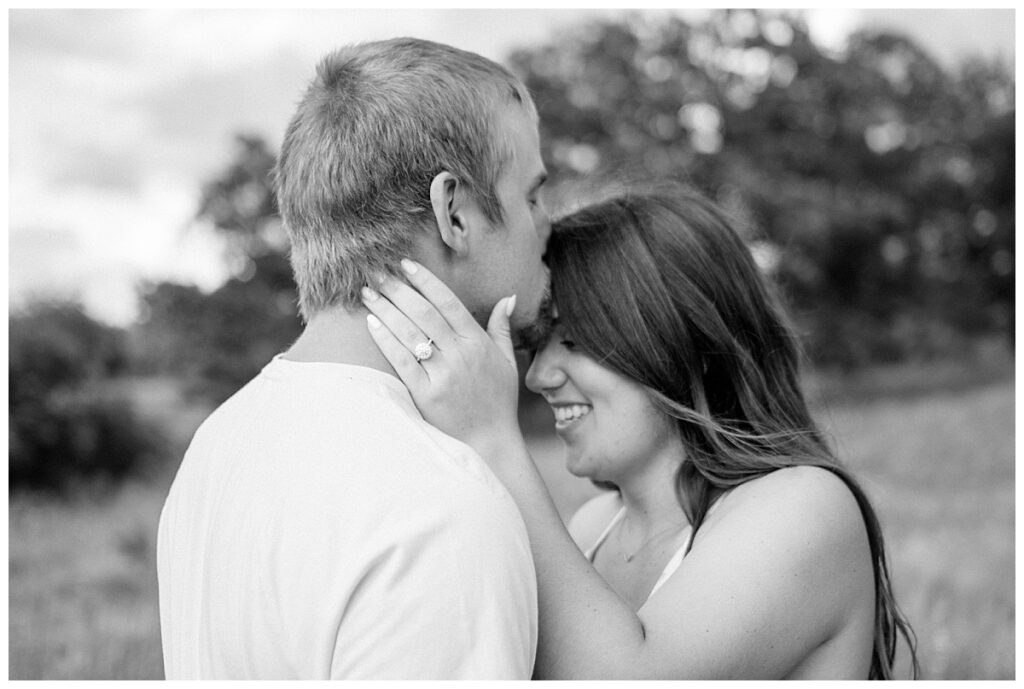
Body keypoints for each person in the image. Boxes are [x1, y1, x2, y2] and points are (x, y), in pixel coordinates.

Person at [362, 180, 919, 679]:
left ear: (686, 342)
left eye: (577, 340)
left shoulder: (802, 508)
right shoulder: (591, 529)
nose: (538, 376)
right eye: (538, 344)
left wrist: (492, 440)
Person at [156, 37, 552, 679]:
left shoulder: (218, 441)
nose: (547, 222)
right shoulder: (443, 508)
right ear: (454, 212)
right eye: (533, 195)